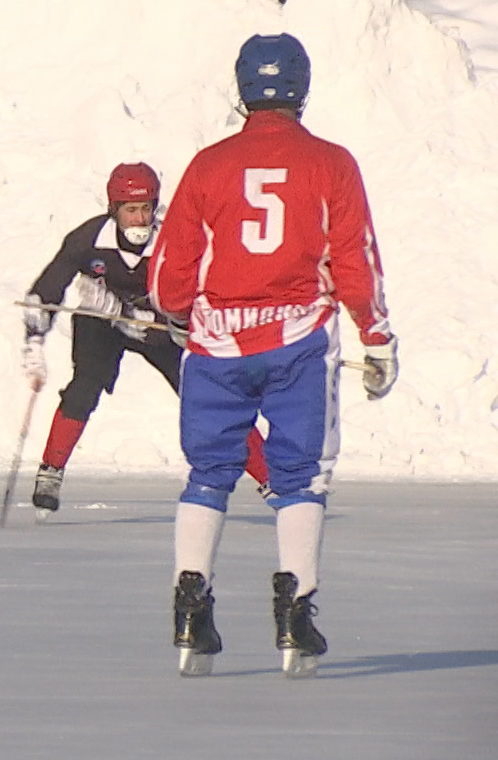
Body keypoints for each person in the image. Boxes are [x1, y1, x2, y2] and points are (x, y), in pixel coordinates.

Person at [147, 33, 396, 678]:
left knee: (208, 474)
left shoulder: (206, 165)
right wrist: (376, 335)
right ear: (301, 88)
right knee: (300, 475)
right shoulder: (332, 164)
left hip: (214, 347)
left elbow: (168, 280)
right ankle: (296, 613)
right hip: (298, 344)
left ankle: (190, 604)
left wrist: (183, 310)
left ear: (243, 89)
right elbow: (354, 262)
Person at [21, 163, 269, 516]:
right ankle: (51, 471)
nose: (139, 219)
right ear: (114, 209)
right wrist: (34, 342)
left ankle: (270, 478)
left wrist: (179, 322)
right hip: (102, 318)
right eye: (131, 210)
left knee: (211, 396)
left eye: (146, 209)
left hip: (159, 325)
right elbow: (44, 293)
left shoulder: (175, 238)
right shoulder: (87, 239)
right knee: (85, 385)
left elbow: (207, 287)